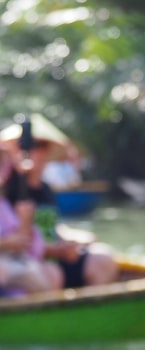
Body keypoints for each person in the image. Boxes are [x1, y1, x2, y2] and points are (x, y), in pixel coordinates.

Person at [2, 118, 119, 288]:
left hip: (55, 254)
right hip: (34, 259)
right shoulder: (11, 190)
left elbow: (50, 227)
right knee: (51, 273)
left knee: (103, 259)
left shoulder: (46, 189)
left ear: (48, 151)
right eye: (29, 145)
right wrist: (56, 250)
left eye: (39, 145)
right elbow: (19, 240)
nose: (33, 151)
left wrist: (73, 239)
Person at [0, 146, 61, 295]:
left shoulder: (4, 206)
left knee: (47, 272)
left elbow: (27, 248)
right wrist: (5, 243)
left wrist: (25, 222)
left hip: (14, 268)